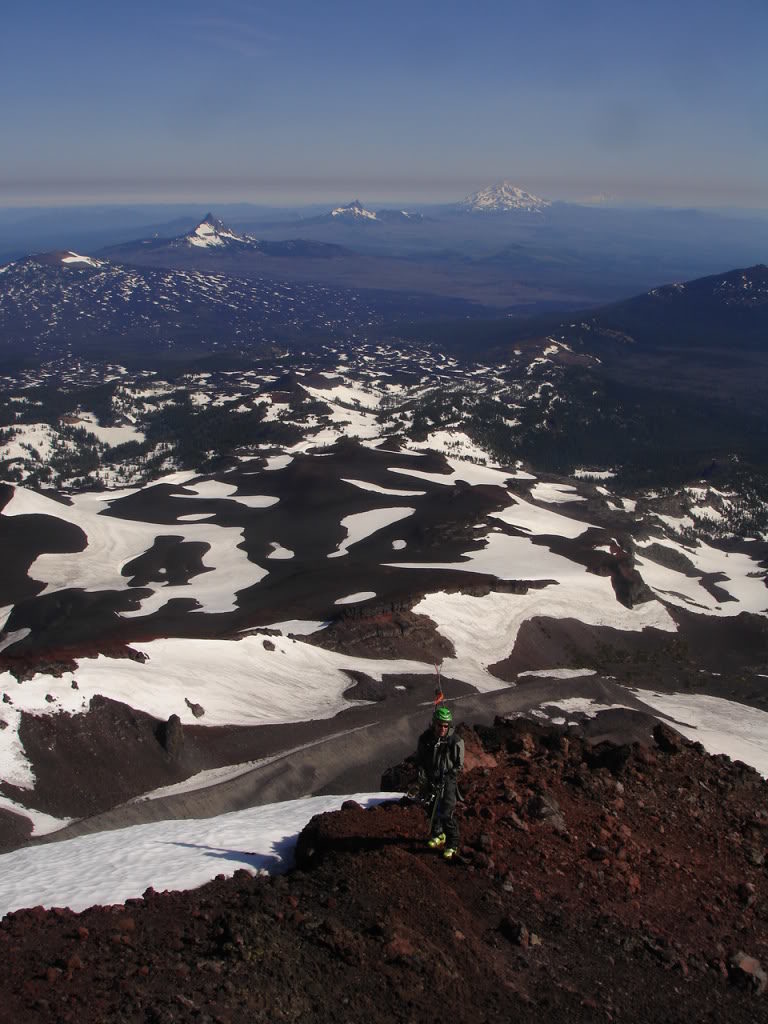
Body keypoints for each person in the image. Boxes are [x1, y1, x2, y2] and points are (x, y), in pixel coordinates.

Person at [416, 705, 464, 860]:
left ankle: (452, 844)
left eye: (446, 726)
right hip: (431, 779)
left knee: (446, 812)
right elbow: (421, 759)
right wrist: (422, 775)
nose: (443, 728)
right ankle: (438, 834)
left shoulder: (454, 741)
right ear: (434, 723)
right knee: (431, 807)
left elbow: (459, 764)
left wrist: (449, 775)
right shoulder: (425, 739)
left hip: (448, 780)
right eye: (440, 725)